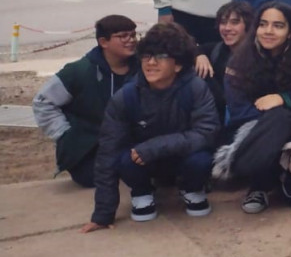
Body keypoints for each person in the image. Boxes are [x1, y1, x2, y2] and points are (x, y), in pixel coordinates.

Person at [82, 23, 219, 230]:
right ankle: (142, 193)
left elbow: (207, 132)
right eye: (146, 56)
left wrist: (156, 146)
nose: (151, 63)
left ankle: (192, 189)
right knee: (124, 159)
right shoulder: (126, 96)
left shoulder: (195, 88)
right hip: (143, 160)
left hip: (183, 156)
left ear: (178, 65)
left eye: (161, 57)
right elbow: (108, 150)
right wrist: (103, 213)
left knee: (202, 159)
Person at [217, 1, 291, 215]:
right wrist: (283, 127)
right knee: (277, 120)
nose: (268, 31)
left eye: (278, 25)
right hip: (253, 130)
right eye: (263, 24)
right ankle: (257, 187)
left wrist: (283, 98)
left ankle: (290, 176)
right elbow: (239, 111)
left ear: (290, 32)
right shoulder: (239, 62)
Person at [33, 15, 140, 188]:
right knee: (91, 177)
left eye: (133, 35)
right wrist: (64, 133)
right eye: (123, 36)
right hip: (92, 145)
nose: (131, 41)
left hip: (133, 140)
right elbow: (43, 102)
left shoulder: (145, 67)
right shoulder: (79, 71)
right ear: (103, 42)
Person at [194, 0, 254, 119]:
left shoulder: (260, 55)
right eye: (223, 22)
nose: (227, 28)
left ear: (248, 25)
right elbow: (187, 47)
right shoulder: (215, 50)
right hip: (217, 120)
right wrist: (198, 55)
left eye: (234, 22)